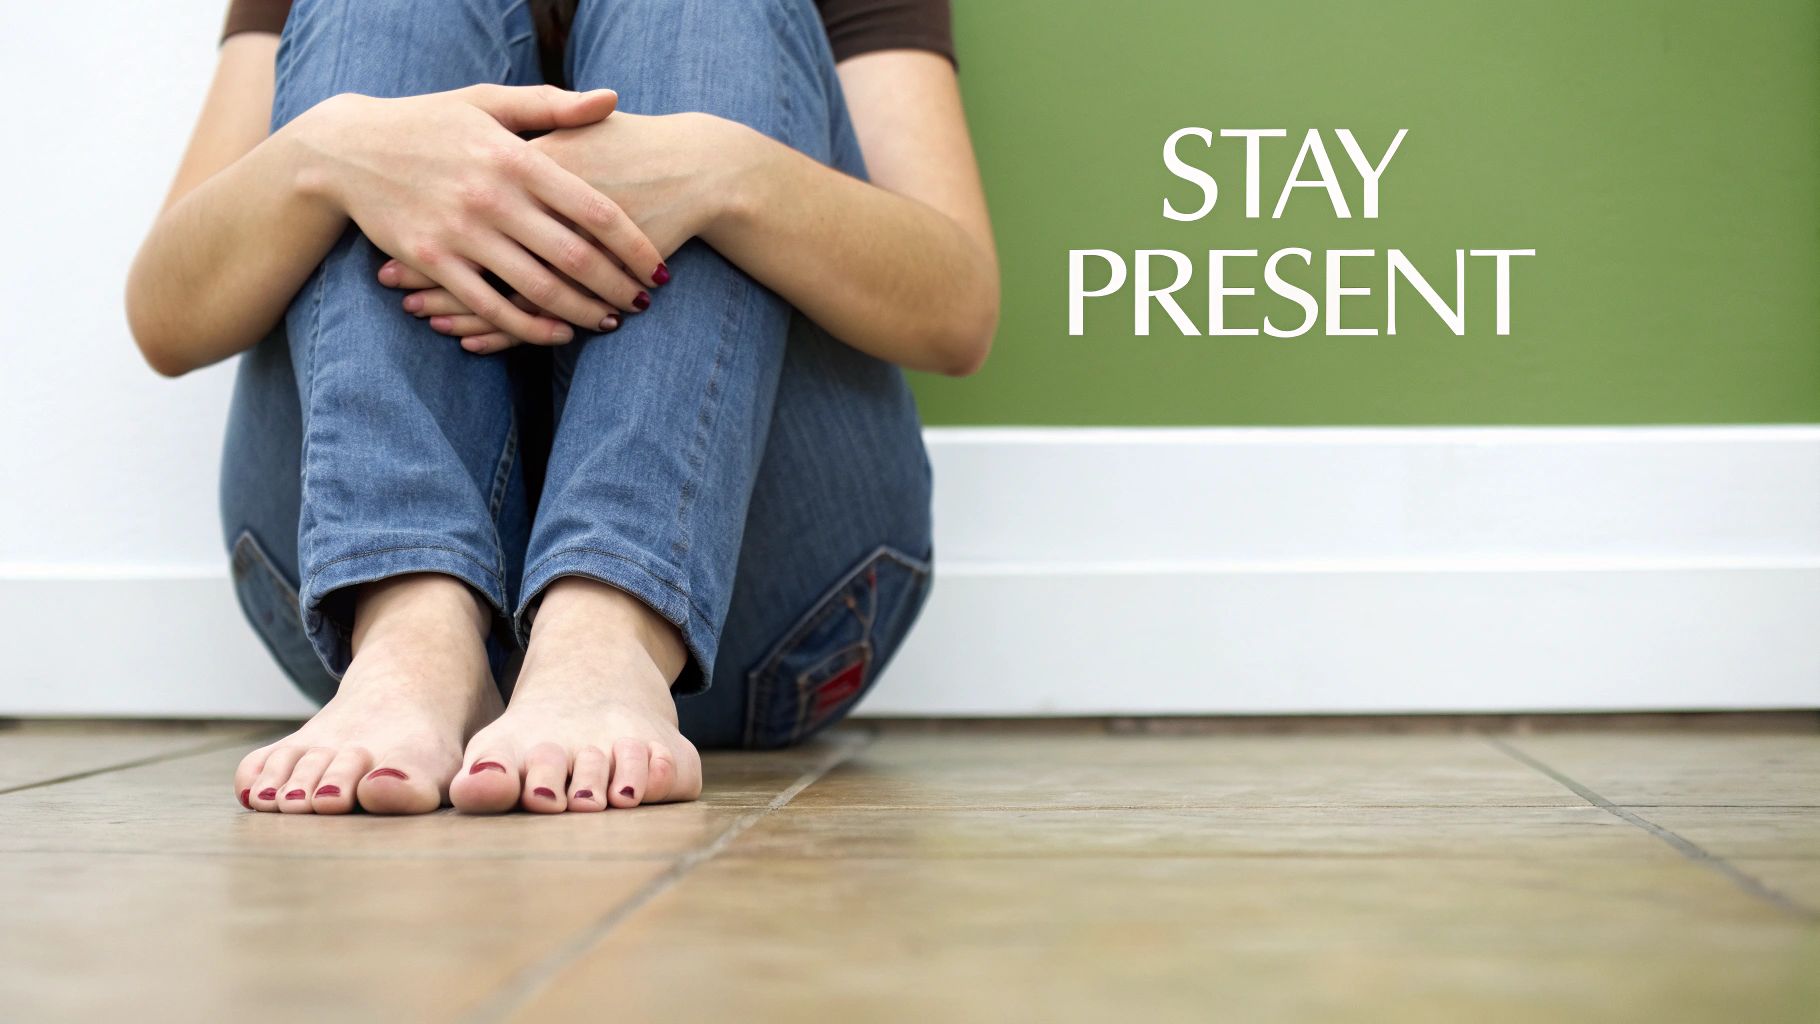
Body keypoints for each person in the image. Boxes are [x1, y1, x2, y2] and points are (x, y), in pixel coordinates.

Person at [125, 0, 997, 815]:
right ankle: (413, 624)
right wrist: (330, 155)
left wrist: (725, 173)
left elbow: (958, 312)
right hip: (355, 608)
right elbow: (169, 318)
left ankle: (613, 628)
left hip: (747, 615)